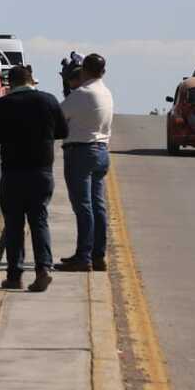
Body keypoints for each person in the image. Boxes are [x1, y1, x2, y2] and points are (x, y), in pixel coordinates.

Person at [0, 65, 68, 292]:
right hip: (41, 171)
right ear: (32, 80)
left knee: (14, 224)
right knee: (39, 219)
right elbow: (63, 132)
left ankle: (15, 275)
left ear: (10, 83)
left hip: (12, 171)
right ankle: (43, 269)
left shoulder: (4, 104)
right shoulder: (49, 100)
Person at [55, 53, 115, 273]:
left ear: (84, 71)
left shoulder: (82, 94)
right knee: (97, 205)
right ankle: (98, 255)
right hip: (101, 151)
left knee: (83, 207)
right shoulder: (106, 93)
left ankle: (84, 256)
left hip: (81, 152)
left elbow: (58, 116)